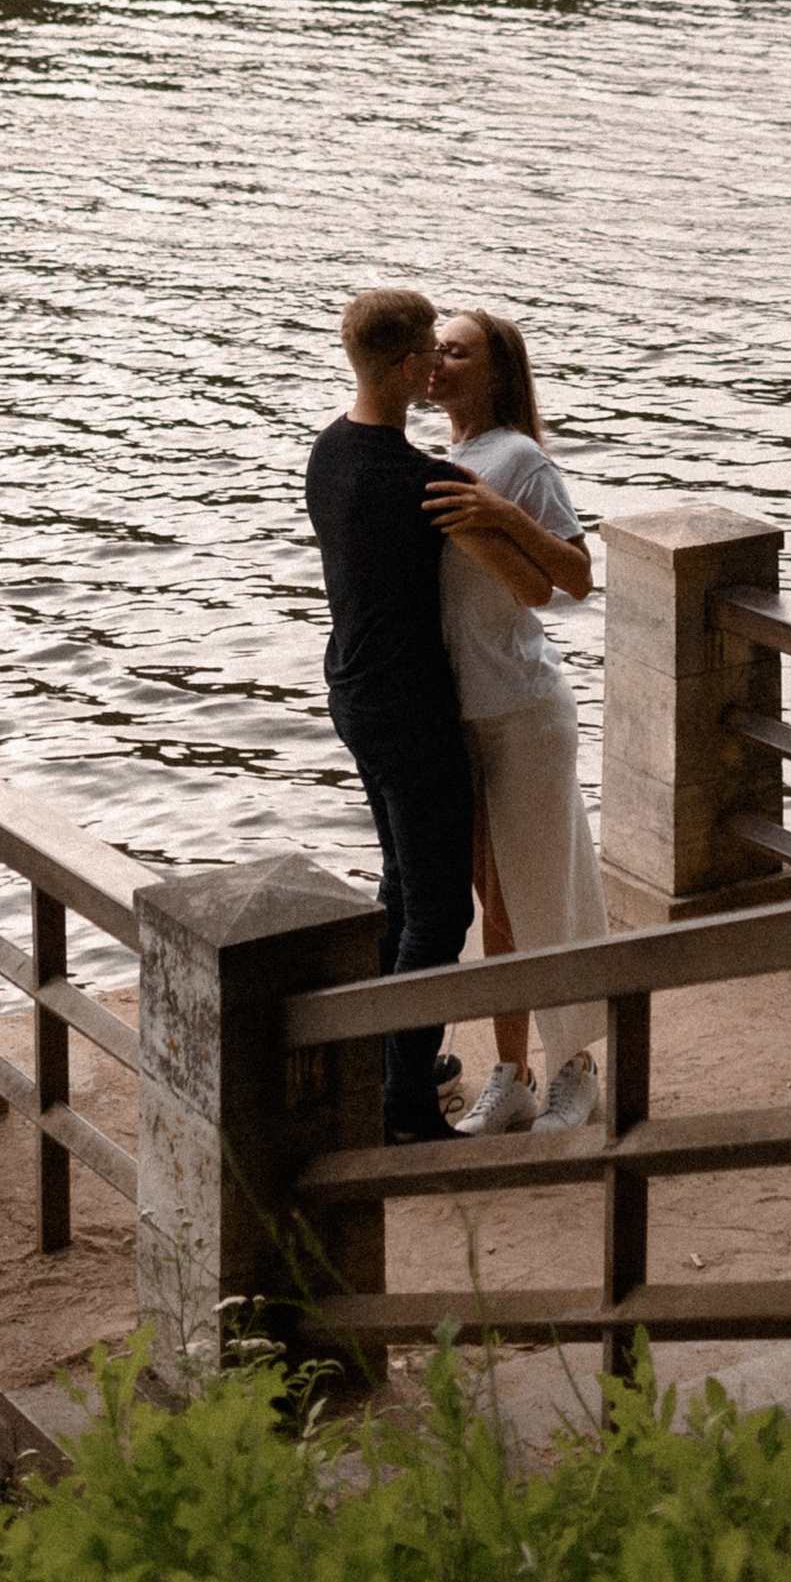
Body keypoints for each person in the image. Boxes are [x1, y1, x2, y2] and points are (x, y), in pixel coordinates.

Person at [421, 308, 610, 1136]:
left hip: (525, 712)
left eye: (455, 352)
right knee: (490, 906)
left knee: (543, 895)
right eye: (433, 349)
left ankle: (577, 1068)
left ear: (494, 372)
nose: (436, 361)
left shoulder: (520, 459)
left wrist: (501, 516)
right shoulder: (439, 458)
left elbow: (573, 576)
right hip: (459, 714)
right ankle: (512, 1075)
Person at [302, 284, 472, 1143]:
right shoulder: (426, 484)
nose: (441, 364)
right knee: (441, 910)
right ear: (406, 368)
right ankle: (404, 1104)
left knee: (403, 885)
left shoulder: (328, 454)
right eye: (434, 352)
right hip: (409, 708)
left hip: (353, 692)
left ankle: (385, 1058)